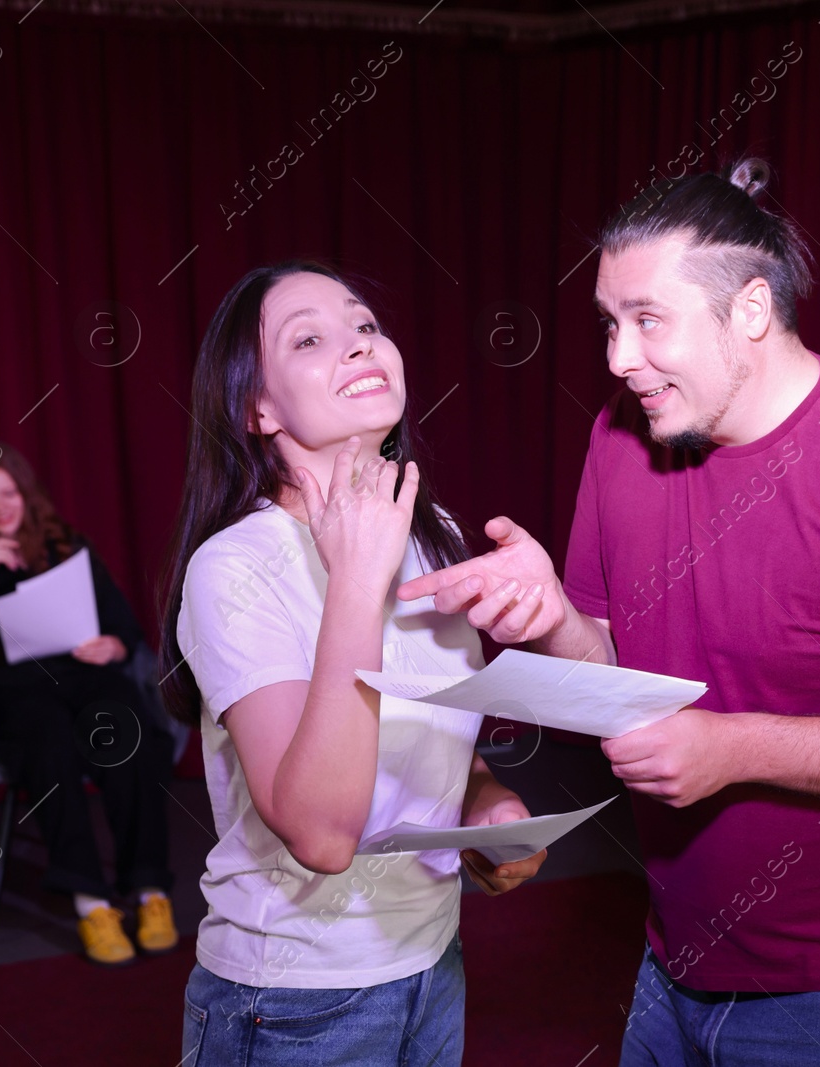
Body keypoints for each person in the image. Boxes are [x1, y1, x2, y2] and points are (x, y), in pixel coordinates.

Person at [398, 159, 820, 1066]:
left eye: (649, 321)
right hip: (673, 952)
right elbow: (612, 666)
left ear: (752, 311)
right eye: (610, 323)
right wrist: (551, 625)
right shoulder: (621, 434)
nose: (618, 358)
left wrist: (733, 747)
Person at [161, 261, 545, 1066]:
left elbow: (433, 733)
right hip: (291, 1001)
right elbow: (322, 833)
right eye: (310, 337)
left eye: (365, 326)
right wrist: (358, 585)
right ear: (256, 406)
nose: (358, 345)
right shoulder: (235, 566)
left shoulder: (431, 529)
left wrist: (488, 805)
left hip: (433, 964)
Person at [0, 443, 177, 964]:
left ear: (26, 495)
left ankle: (149, 889)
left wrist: (113, 645)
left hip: (85, 671)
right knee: (50, 748)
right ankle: (91, 902)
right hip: (18, 690)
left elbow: (123, 627)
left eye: (9, 494)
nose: (1, 509)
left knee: (124, 726)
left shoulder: (68, 547)